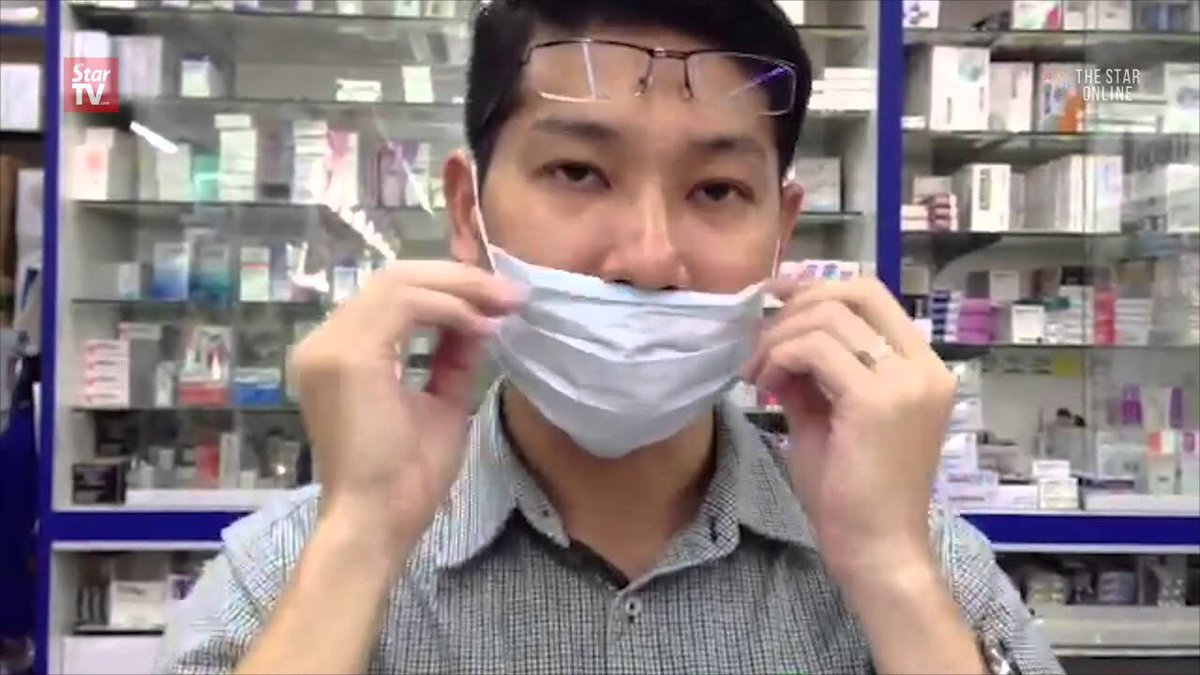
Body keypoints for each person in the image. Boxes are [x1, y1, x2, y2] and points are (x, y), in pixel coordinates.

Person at [159, 1, 1063, 673]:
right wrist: (358, 542)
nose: (649, 257)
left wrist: (892, 573)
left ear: (780, 233)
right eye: (579, 172)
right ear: (469, 213)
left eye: (716, 190)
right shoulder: (286, 570)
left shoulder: (927, 560)